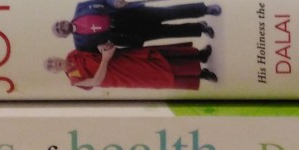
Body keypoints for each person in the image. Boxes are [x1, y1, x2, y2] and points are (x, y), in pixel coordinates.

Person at [52, 0, 221, 51]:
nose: (61, 27)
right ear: (63, 36)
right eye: (59, 30)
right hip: (126, 35)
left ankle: (205, 9)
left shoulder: (81, 7)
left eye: (58, 24)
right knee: (167, 32)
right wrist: (106, 49)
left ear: (62, 20)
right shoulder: (81, 44)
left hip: (128, 14)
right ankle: (200, 28)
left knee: (168, 12)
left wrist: (114, 1)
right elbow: (100, 54)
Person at [45, 42, 217, 90]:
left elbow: (94, 48)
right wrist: (105, 59)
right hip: (124, 76)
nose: (55, 64)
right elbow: (96, 81)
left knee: (158, 56)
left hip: (122, 58)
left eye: (52, 60)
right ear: (55, 72)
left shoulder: (73, 54)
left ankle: (198, 55)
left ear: (56, 56)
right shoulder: (74, 79)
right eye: (52, 67)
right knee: (158, 75)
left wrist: (103, 48)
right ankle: (201, 74)